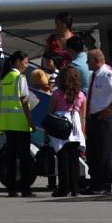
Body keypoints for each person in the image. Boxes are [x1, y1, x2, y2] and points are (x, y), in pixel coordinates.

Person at [83, 48, 112, 196]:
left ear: (96, 61)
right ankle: (95, 183)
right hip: (94, 118)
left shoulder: (108, 75)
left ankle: (105, 185)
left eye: (88, 60)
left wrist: (109, 109)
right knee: (93, 153)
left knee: (104, 153)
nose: (86, 63)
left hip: (105, 119)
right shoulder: (94, 75)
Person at [0, 50, 36, 197]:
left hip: (8, 124)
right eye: (26, 62)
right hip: (20, 123)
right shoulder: (20, 78)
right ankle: (25, 188)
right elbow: (24, 101)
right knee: (24, 158)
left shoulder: (4, 79)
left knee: (11, 157)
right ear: (18, 62)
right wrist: (30, 120)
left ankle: (11, 189)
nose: (27, 65)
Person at [48, 64, 86, 197]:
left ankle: (64, 187)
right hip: (75, 124)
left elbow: (51, 112)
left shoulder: (57, 94)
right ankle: (75, 188)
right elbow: (83, 115)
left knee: (63, 157)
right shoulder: (80, 94)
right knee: (74, 158)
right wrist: (82, 131)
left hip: (60, 123)